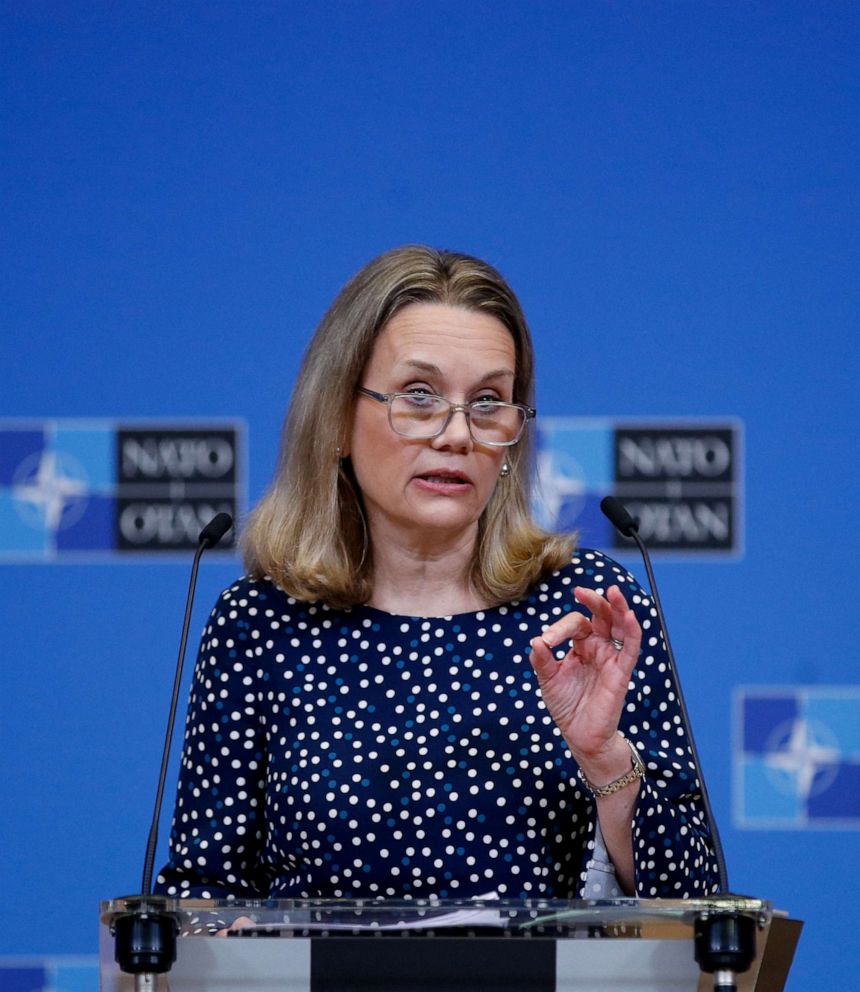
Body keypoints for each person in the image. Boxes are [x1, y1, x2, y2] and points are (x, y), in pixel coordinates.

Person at [156, 245, 720, 903]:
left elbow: (694, 905)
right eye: (419, 395)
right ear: (338, 417)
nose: (457, 435)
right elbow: (198, 896)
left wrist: (606, 762)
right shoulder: (259, 624)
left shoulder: (587, 610)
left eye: (488, 402)